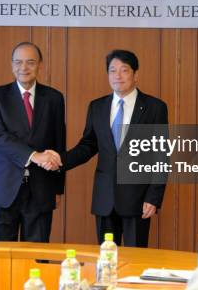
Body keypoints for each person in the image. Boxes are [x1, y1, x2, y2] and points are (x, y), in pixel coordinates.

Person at [53, 50, 168, 247]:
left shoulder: (154, 107)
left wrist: (153, 197)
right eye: (112, 70)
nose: (118, 75)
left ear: (135, 74)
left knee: (135, 260)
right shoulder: (97, 107)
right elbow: (88, 146)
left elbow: (161, 156)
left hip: (138, 199)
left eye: (124, 70)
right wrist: (59, 161)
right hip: (105, 199)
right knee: (107, 261)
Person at [0, 42, 65, 242]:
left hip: (41, 189)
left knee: (36, 257)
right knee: (0, 258)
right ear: (11, 65)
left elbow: (59, 142)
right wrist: (35, 156)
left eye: (30, 62)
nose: (23, 68)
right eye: (18, 62)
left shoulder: (54, 98)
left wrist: (58, 188)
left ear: (40, 65)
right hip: (3, 188)